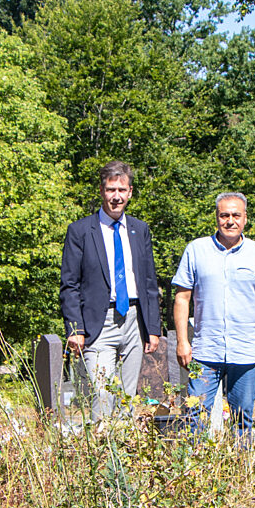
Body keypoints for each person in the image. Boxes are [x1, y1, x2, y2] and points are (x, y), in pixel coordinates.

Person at [173, 192, 255, 437]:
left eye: (236, 215)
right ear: (217, 218)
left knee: (242, 419)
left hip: (245, 352)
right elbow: (182, 298)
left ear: (245, 219)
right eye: (224, 215)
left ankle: (240, 471)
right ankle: (196, 472)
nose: (230, 221)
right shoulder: (196, 250)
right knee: (195, 416)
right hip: (205, 352)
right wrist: (182, 341)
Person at [60, 160, 161, 419]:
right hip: (98, 322)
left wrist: (153, 328)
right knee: (103, 394)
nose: (116, 197)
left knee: (127, 396)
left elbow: (149, 281)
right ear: (102, 191)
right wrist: (75, 329)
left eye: (121, 190)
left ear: (130, 193)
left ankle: (123, 453)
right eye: (110, 190)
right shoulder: (80, 231)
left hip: (134, 320)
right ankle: (100, 452)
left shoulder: (140, 229)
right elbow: (69, 284)